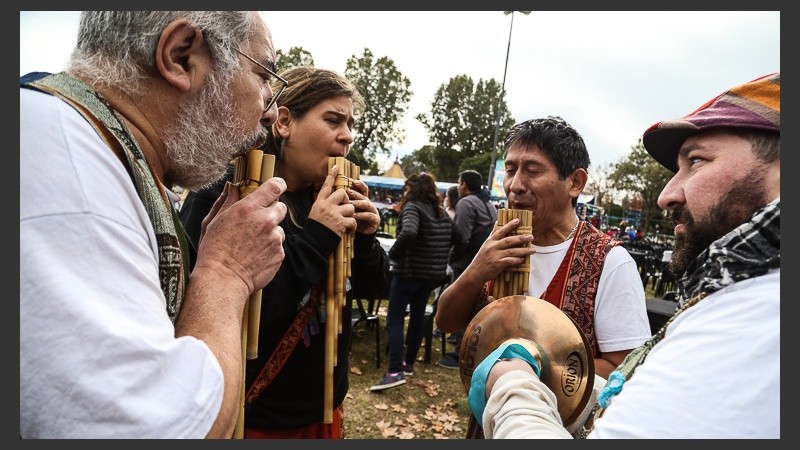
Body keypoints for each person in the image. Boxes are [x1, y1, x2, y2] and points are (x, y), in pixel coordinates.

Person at [21, 12, 288, 438]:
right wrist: (226, 273)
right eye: (263, 75)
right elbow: (171, 428)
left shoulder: (93, 148)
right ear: (181, 56)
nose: (271, 112)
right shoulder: (68, 164)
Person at [475, 72, 780, 438]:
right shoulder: (735, 300)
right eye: (510, 169)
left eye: (697, 161)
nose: (666, 195)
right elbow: (638, 398)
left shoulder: (761, 316)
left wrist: (515, 380)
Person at [180, 66, 390, 438]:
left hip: (322, 407)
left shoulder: (329, 196)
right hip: (252, 415)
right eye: (333, 120)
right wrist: (317, 235)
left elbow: (376, 288)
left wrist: (366, 238)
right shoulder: (224, 196)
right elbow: (231, 312)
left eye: (351, 123)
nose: (348, 136)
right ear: (285, 122)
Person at [435, 116, 651, 438]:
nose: (515, 185)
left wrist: (527, 366)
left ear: (575, 183)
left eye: (532, 171)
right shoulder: (499, 243)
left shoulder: (611, 262)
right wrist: (476, 271)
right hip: (490, 424)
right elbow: (445, 321)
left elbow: (624, 369)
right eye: (510, 169)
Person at [370, 173, 464, 391]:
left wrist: (393, 255)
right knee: (417, 317)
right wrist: (445, 258)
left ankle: (394, 371)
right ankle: (408, 363)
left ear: (413, 189)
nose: (404, 192)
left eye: (407, 188)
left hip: (409, 274)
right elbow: (459, 238)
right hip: (431, 276)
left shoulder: (412, 206)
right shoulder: (440, 212)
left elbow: (410, 231)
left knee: (394, 319)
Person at [438, 170, 499, 370]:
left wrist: (453, 258)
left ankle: (460, 354)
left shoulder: (466, 203)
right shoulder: (488, 203)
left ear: (463, 184)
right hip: (485, 263)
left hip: (469, 263)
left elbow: (462, 236)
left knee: (463, 306)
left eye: (458, 181)